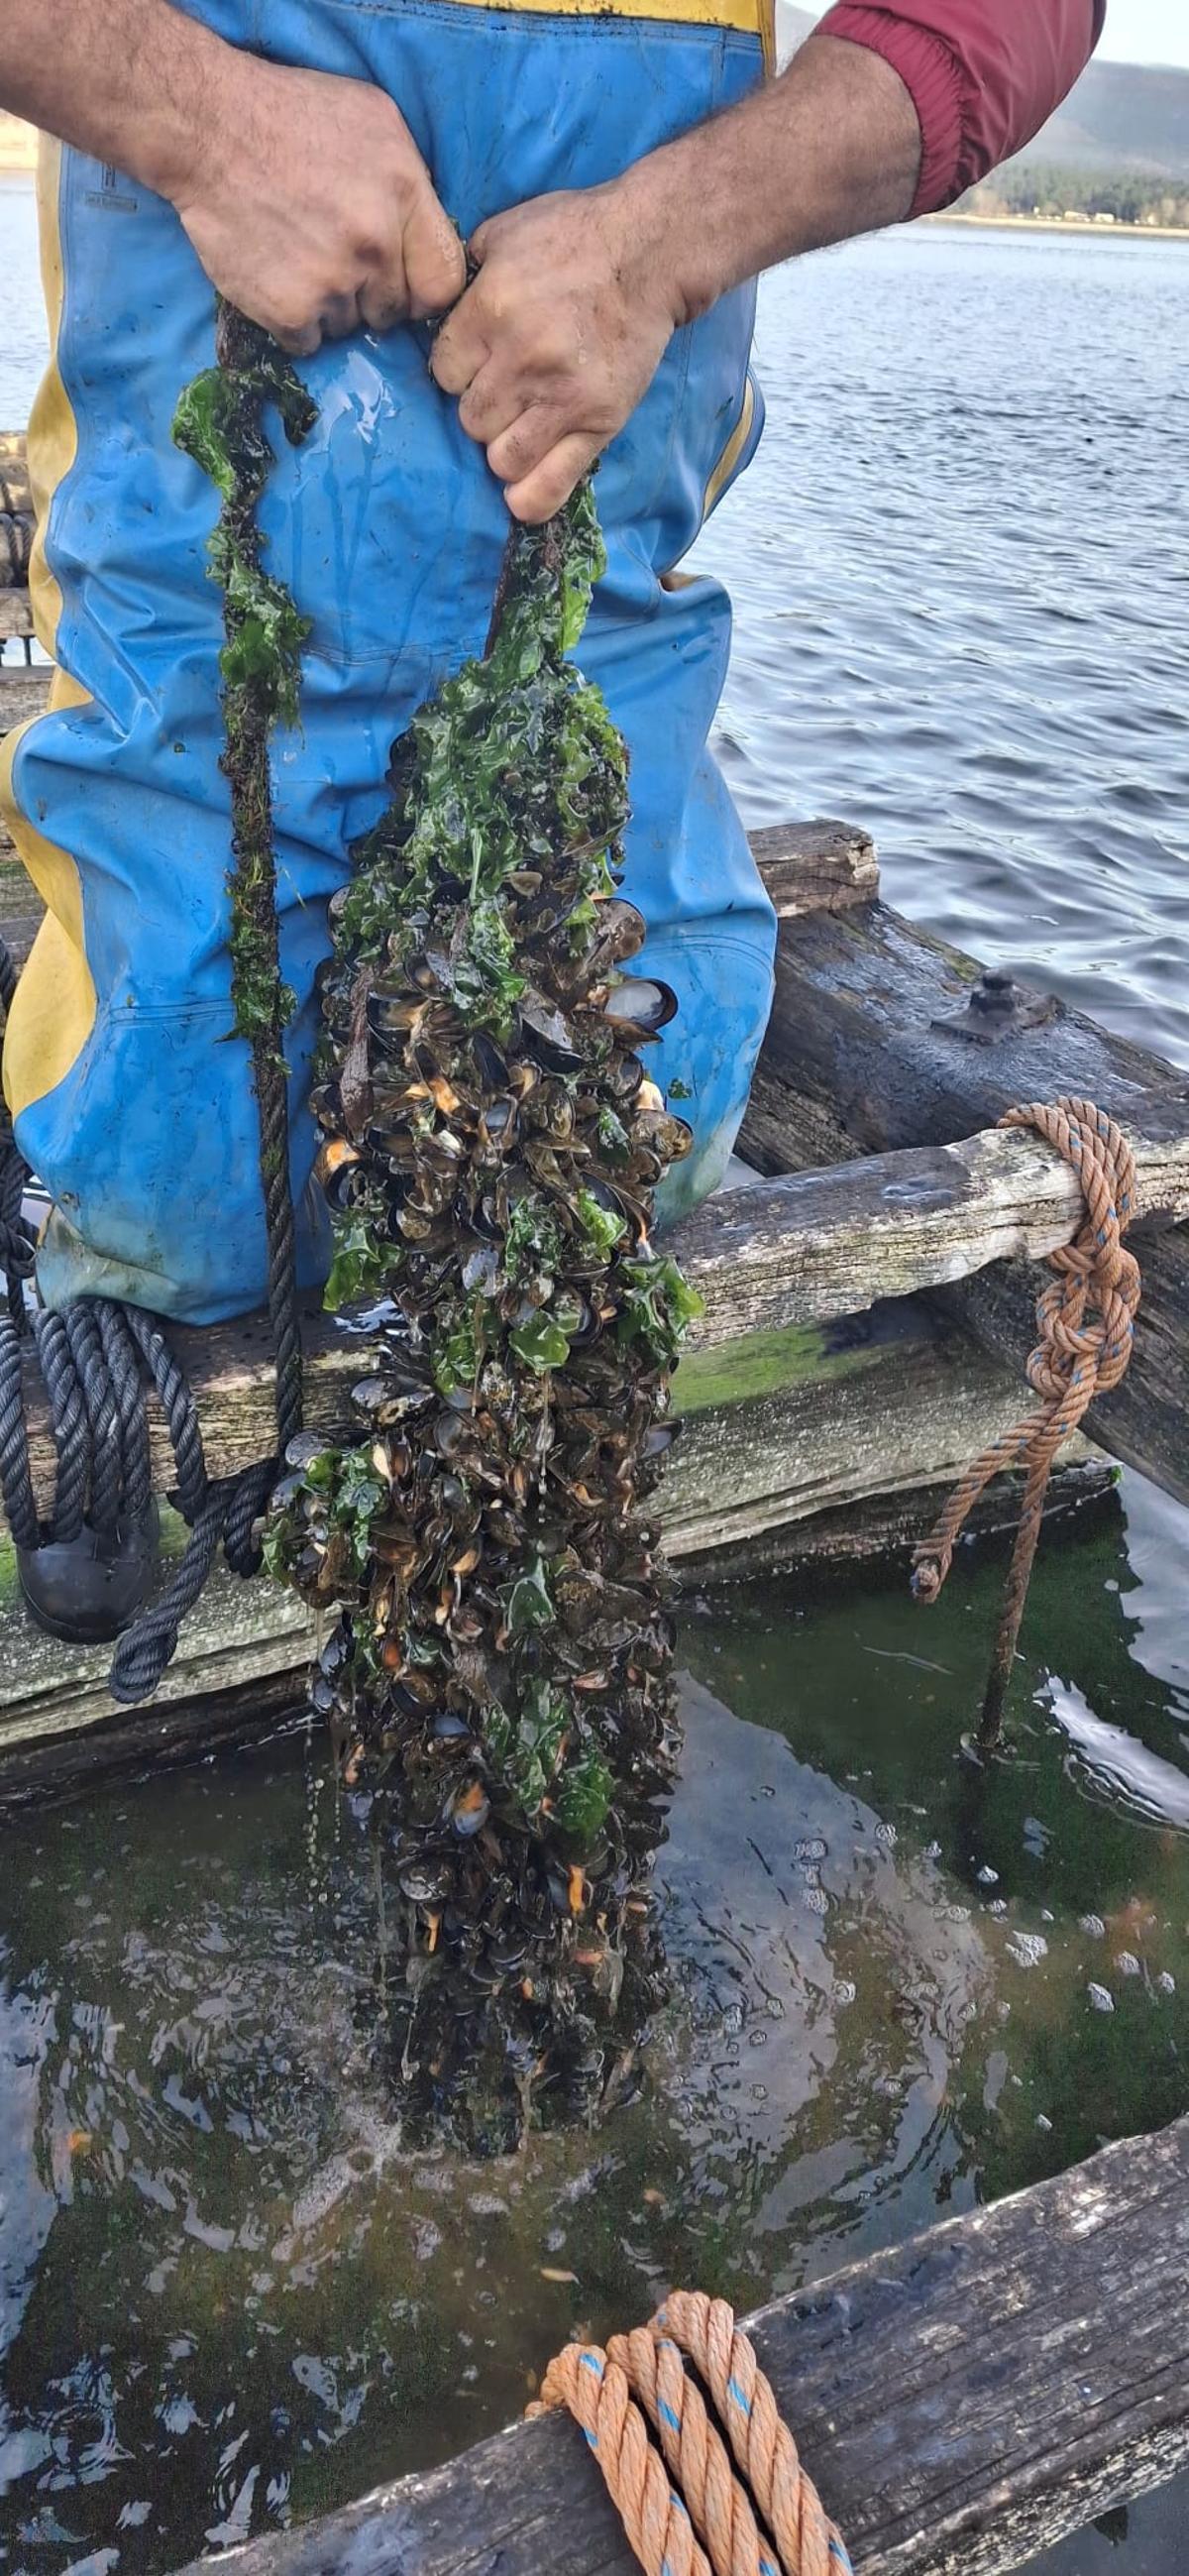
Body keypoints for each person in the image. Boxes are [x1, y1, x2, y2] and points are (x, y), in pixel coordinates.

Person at [0, 0, 1104, 1332]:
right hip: (208, 654)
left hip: (598, 633)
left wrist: (664, 242)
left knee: (647, 1110)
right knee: (189, 1166)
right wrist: (195, 116)